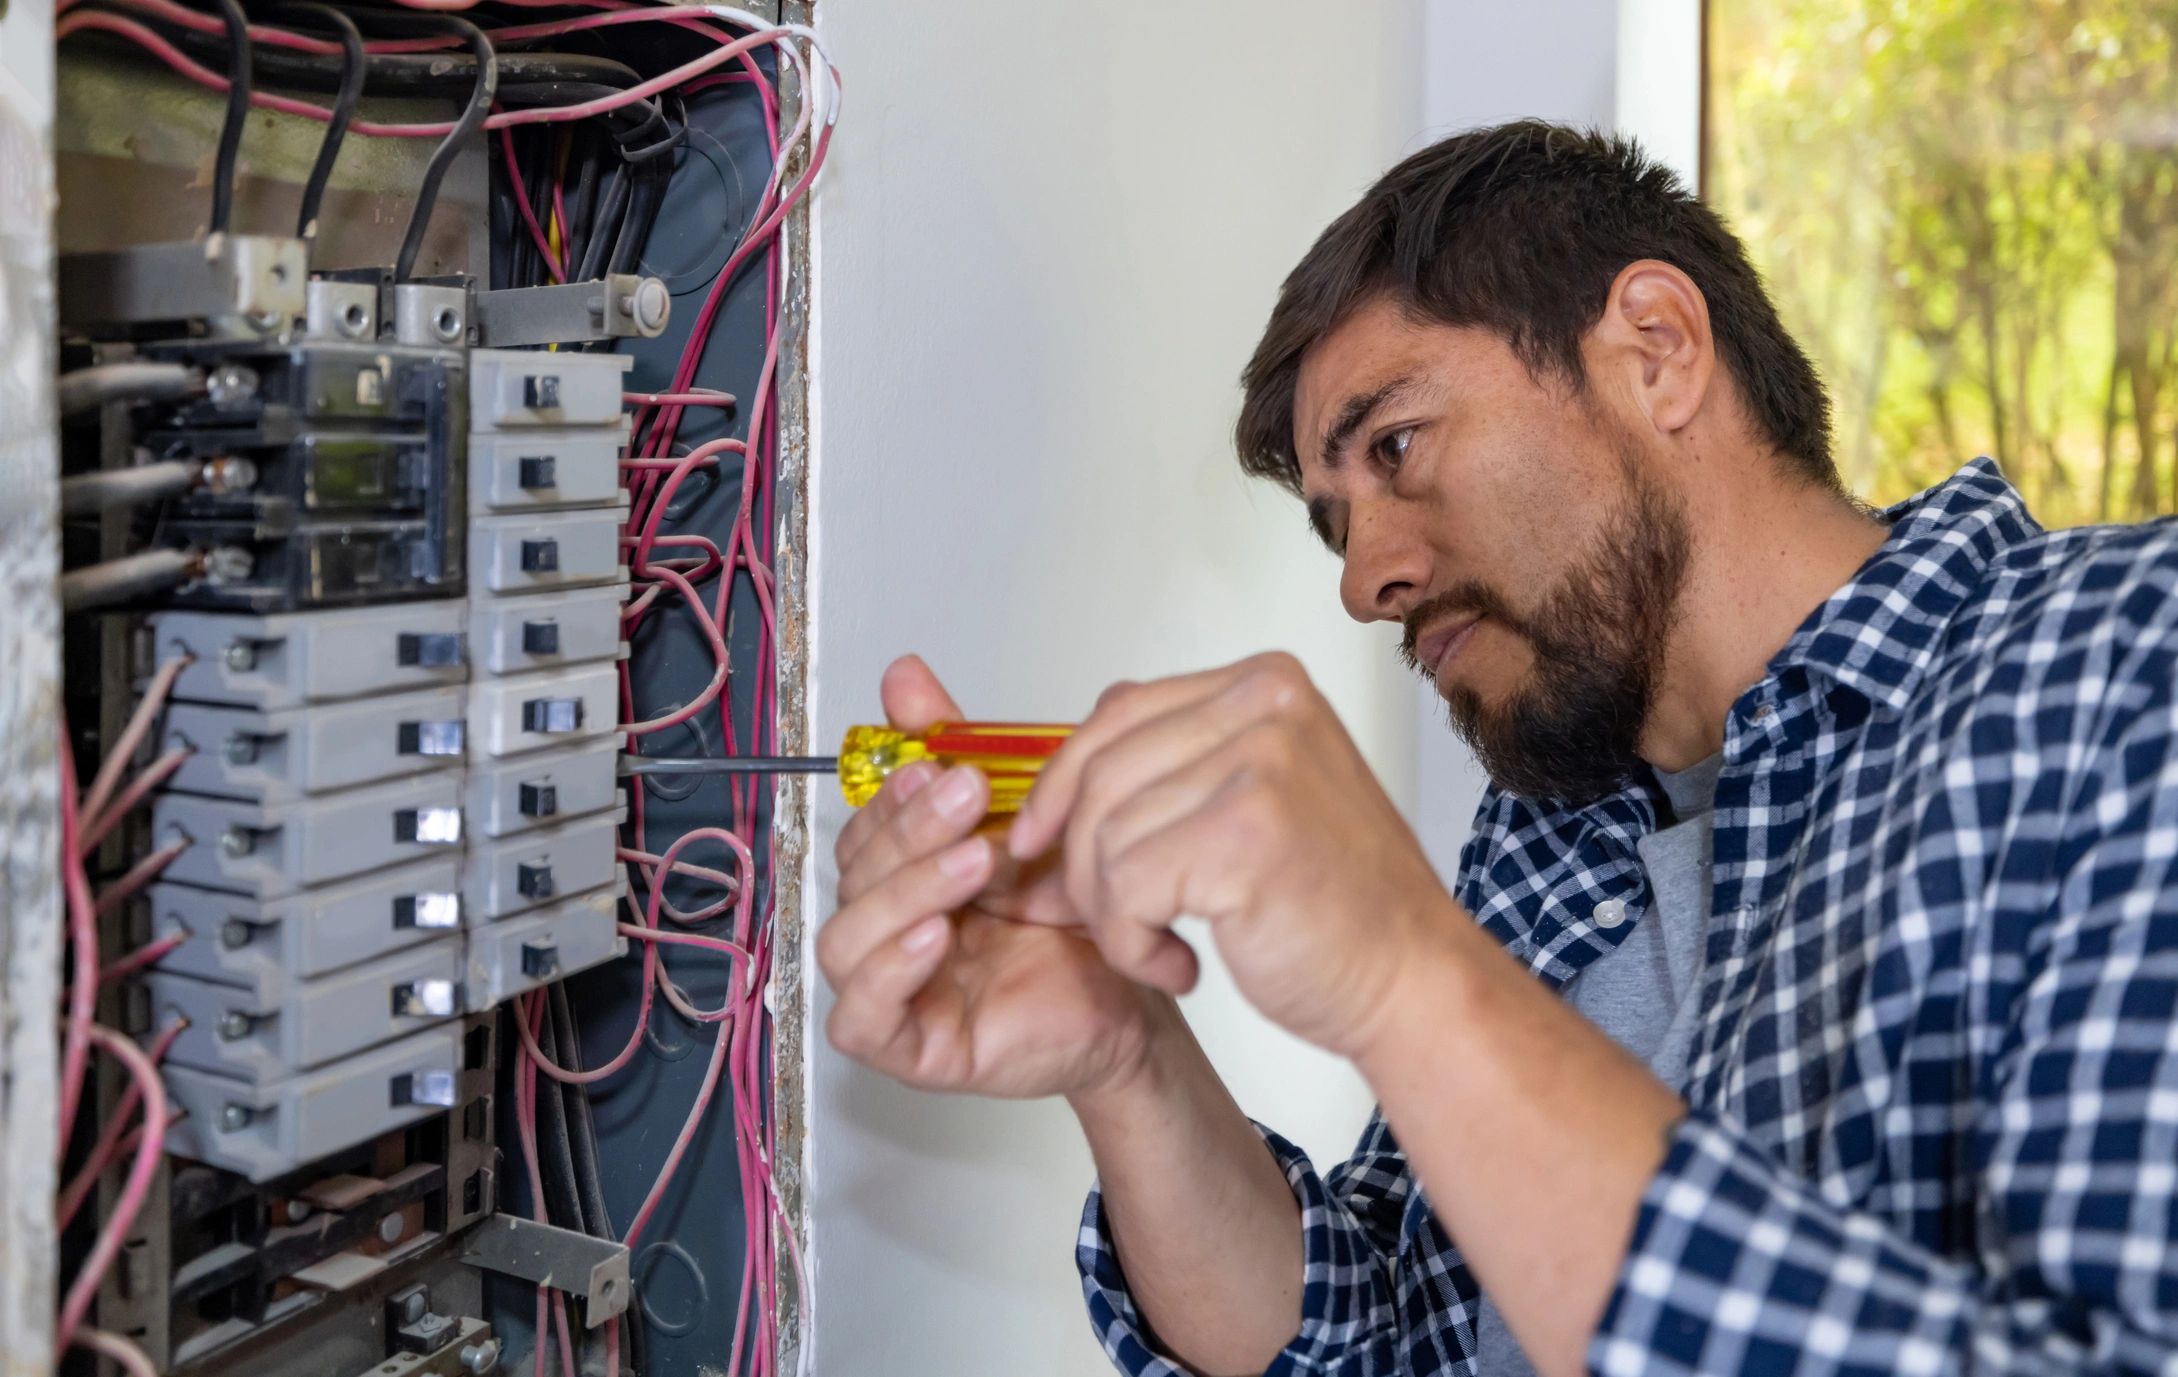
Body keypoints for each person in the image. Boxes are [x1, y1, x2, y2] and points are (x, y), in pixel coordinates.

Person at [815, 119, 2178, 1376]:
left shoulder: (2123, 662)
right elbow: (1385, 1332)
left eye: (1396, 445)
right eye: (1332, 522)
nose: (1362, 580)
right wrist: (1126, 1051)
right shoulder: (1551, 827)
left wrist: (1409, 978)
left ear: (1654, 347)